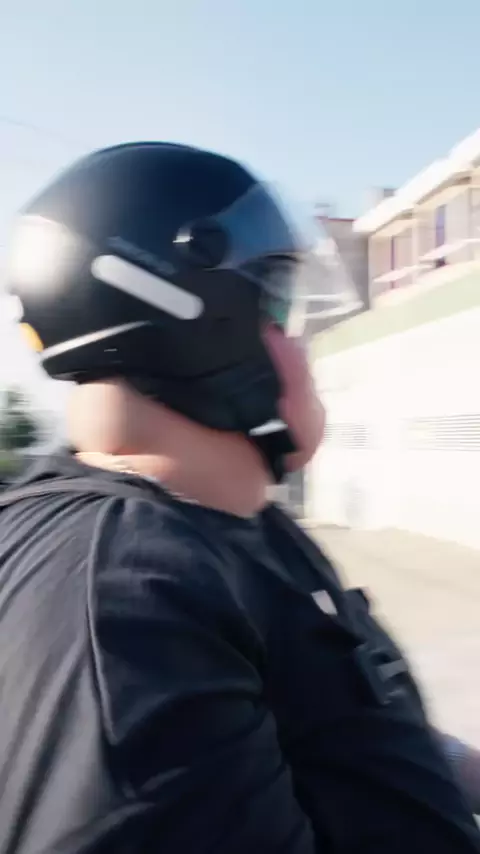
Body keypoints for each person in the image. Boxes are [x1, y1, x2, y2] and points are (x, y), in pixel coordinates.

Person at [0, 141, 479, 854]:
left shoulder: (231, 529)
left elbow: (342, 725)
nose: (302, 346)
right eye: (277, 305)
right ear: (200, 323)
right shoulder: (126, 602)